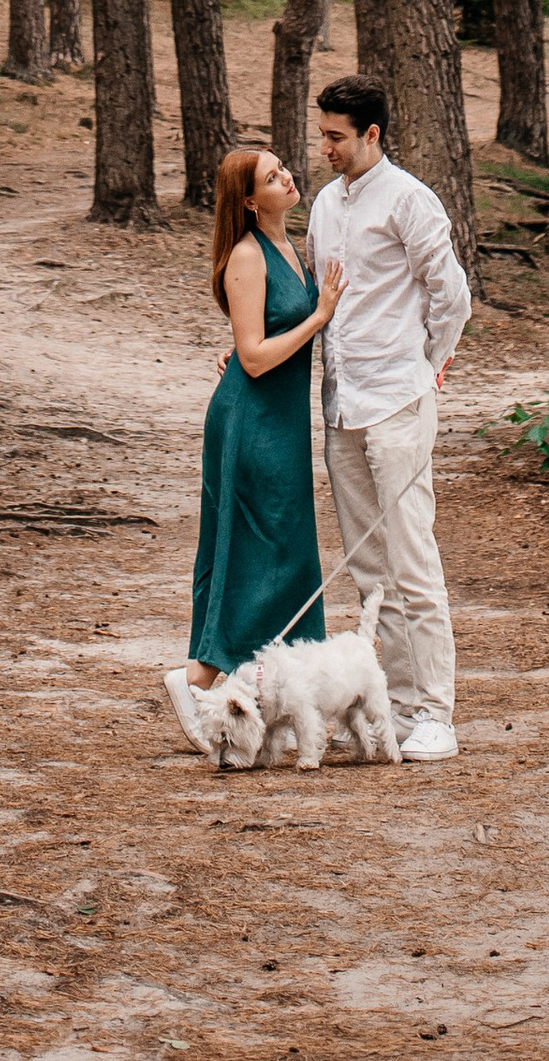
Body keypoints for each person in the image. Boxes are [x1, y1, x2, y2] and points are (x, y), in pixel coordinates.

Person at [306, 73, 470, 764]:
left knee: (412, 559)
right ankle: (392, 706)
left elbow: (450, 294)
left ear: (372, 132)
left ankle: (435, 711)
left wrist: (426, 365)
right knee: (370, 569)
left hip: (398, 401)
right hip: (341, 402)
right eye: (323, 134)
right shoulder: (322, 203)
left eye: (337, 136)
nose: (326, 147)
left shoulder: (410, 198)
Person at [164, 144, 344, 748]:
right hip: (250, 423)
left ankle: (291, 700)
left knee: (290, 553)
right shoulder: (247, 254)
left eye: (283, 167)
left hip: (281, 423)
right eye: (272, 177)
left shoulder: (293, 245)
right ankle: (195, 681)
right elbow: (254, 357)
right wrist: (318, 317)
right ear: (248, 200)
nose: (287, 177)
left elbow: (255, 339)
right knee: (251, 553)